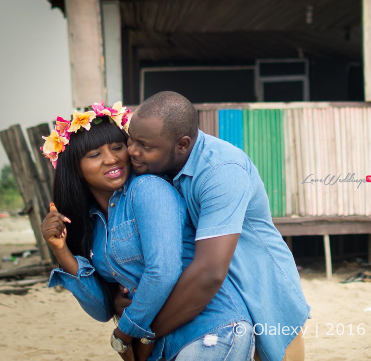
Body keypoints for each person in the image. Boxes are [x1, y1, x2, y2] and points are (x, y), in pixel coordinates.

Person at [40, 103, 254, 361]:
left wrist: (124, 335)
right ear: (75, 167)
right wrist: (61, 250)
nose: (112, 159)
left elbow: (162, 272)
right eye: (95, 154)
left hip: (210, 331)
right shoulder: (92, 223)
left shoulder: (147, 189)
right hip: (161, 346)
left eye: (117, 147)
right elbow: (101, 310)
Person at [119, 91, 310, 361]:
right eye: (131, 139)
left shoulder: (221, 171)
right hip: (214, 302)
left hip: (261, 289)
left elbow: (209, 272)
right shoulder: (155, 166)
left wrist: (145, 333)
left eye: (145, 146)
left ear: (182, 144)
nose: (132, 151)